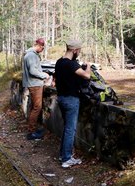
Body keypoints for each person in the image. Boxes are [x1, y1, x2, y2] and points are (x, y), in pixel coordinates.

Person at [55, 39, 91, 168]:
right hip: (71, 99)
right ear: (75, 50)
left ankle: (63, 154)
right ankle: (66, 159)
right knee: (70, 130)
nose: (79, 53)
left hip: (61, 98)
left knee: (66, 128)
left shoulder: (59, 62)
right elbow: (86, 76)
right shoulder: (71, 64)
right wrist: (89, 67)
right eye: (79, 51)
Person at [22, 38, 49, 140]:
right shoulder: (31, 55)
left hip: (33, 84)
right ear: (38, 45)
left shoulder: (29, 54)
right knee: (37, 107)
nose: (42, 49)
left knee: (34, 107)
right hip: (35, 85)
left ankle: (33, 129)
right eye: (42, 47)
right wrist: (44, 75)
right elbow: (33, 71)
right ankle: (31, 132)